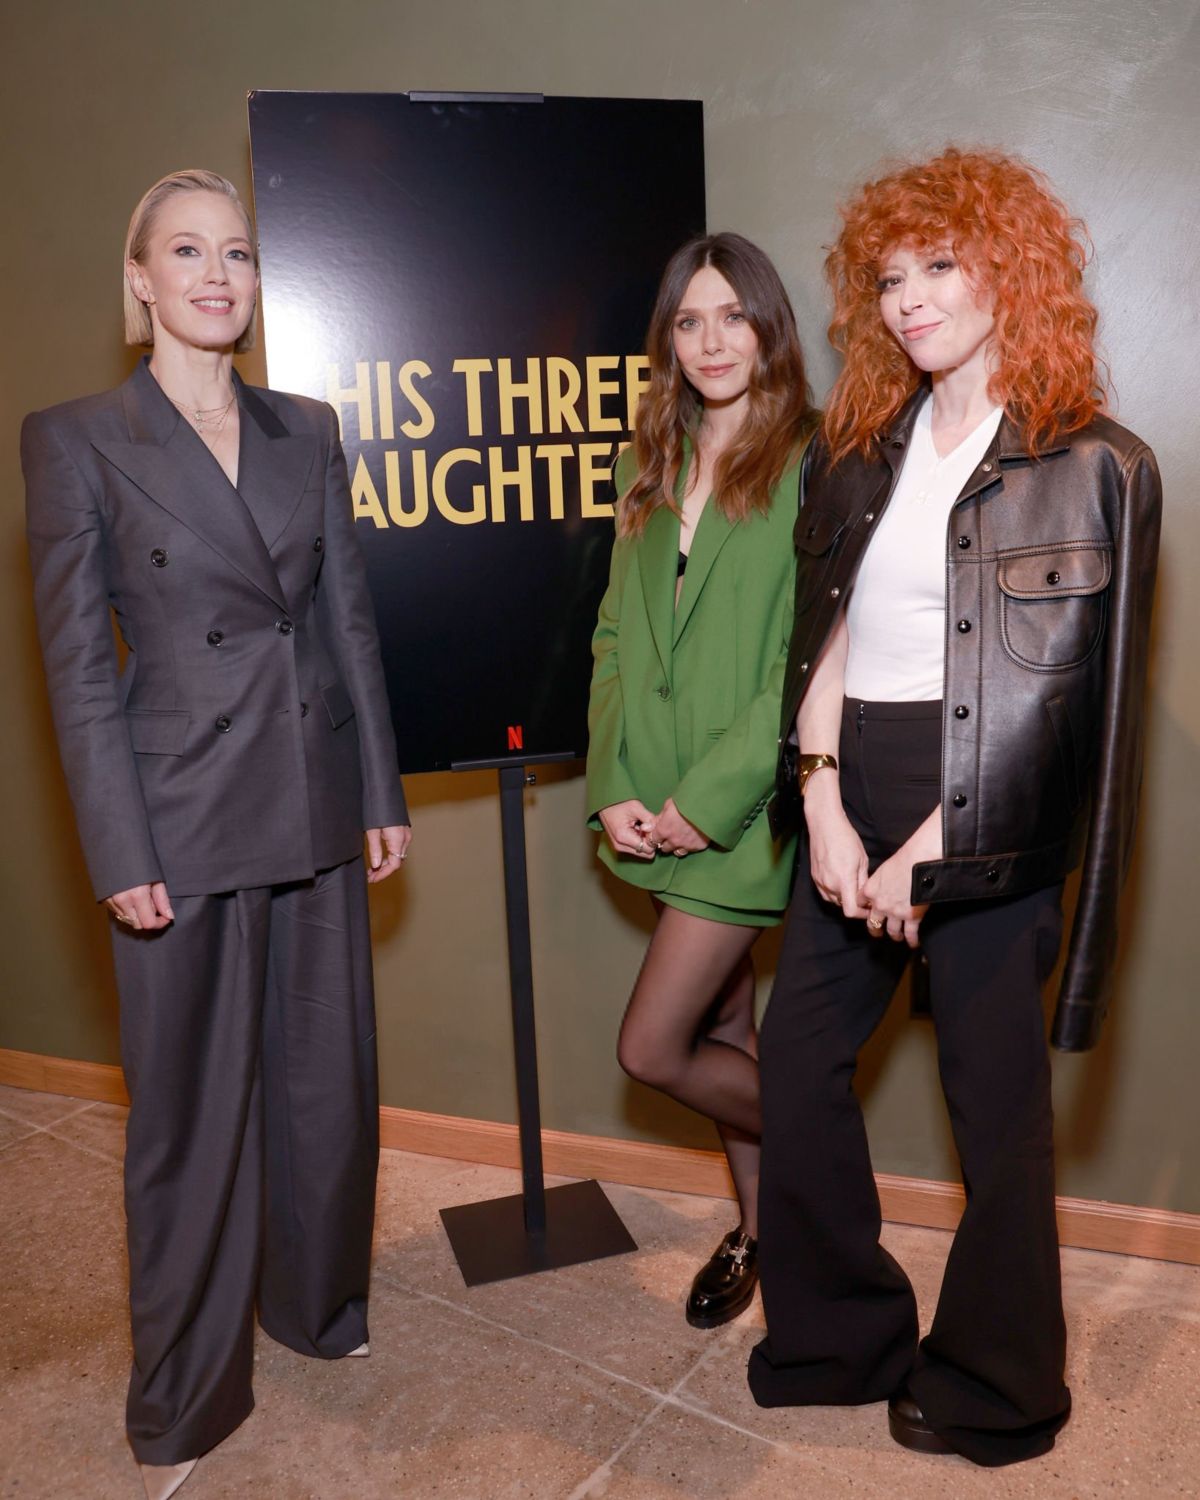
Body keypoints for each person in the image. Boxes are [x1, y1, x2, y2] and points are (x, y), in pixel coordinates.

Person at [747, 148, 1161, 1466]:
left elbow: (1070, 699)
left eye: (941, 266)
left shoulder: (1094, 466)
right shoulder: (860, 447)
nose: (910, 298)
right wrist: (819, 798)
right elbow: (829, 639)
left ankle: (998, 1385)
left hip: (985, 803)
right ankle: (839, 1335)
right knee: (795, 1070)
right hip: (850, 775)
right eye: (890, 277)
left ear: (1012, 271)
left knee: (997, 1110)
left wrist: (940, 845)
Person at [22, 169, 410, 1500]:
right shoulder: (74, 437)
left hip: (311, 789)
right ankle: (185, 1385)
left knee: (322, 1083)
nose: (214, 274)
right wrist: (116, 844)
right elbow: (75, 666)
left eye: (235, 252)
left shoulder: (307, 426)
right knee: (186, 1115)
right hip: (177, 810)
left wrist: (381, 792)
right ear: (138, 280)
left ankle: (315, 1304)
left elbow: (345, 617)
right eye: (184, 251)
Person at [586, 232, 817, 1328]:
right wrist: (614, 786)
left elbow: (803, 667)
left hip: (744, 812)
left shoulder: (818, 460)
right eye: (689, 321)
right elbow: (615, 641)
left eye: (733, 316)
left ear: (769, 325)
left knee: (654, 1047)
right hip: (656, 805)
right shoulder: (656, 462)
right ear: (666, 341)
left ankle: (824, 1167)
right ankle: (768, 1232)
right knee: (726, 1031)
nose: (712, 340)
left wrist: (701, 805)